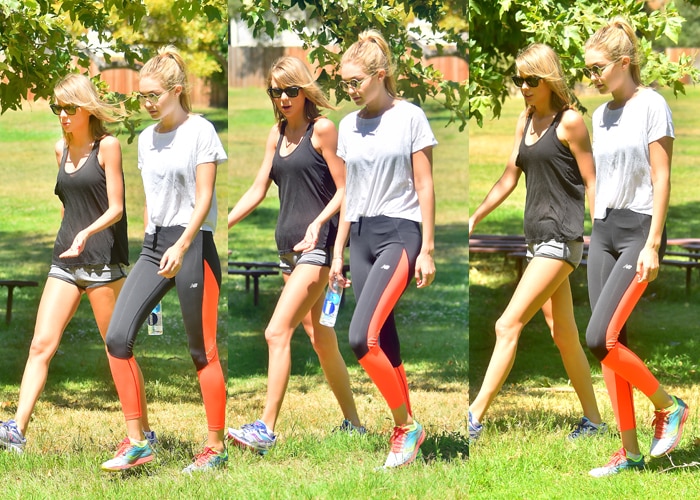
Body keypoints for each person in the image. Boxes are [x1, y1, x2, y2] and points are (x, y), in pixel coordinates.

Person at [0, 74, 155, 453]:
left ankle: (144, 433)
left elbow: (117, 208)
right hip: (66, 261)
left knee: (116, 349)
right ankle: (16, 430)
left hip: (102, 262)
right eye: (58, 108)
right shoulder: (60, 150)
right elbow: (72, 205)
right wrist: (74, 235)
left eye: (70, 108)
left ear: (86, 108)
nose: (63, 115)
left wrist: (87, 233)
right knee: (41, 345)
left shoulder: (108, 147)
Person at [467, 44, 606, 443]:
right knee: (562, 333)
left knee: (506, 323)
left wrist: (602, 233)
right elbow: (510, 177)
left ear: (549, 80)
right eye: (519, 79)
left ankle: (473, 416)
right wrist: (475, 216)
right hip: (537, 240)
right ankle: (594, 421)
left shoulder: (570, 123)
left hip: (561, 240)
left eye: (531, 80)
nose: (523, 87)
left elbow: (592, 181)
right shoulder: (526, 119)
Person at [226, 56, 364, 454]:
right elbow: (257, 189)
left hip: (318, 250)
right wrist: (225, 225)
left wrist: (318, 223)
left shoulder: (322, 130)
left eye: (291, 90)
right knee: (320, 338)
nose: (284, 98)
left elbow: (345, 189)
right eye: (276, 91)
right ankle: (354, 425)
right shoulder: (277, 133)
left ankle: (265, 429)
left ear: (305, 91)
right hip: (288, 250)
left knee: (275, 331)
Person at [100, 46, 228, 473]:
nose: (147, 103)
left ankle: (214, 448)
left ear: (176, 90)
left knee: (201, 350)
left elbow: (204, 196)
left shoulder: (201, 131)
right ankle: (137, 441)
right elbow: (152, 203)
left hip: (193, 245)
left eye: (154, 94)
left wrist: (183, 243)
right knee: (117, 339)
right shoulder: (146, 138)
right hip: (154, 246)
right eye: (142, 96)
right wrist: (149, 250)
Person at [583, 18, 689, 478]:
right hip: (604, 231)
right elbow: (601, 179)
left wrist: (652, 244)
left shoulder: (652, 105)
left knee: (596, 337)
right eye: (587, 70)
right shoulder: (598, 115)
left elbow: (662, 177)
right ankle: (628, 453)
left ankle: (669, 406)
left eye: (598, 68)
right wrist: (593, 227)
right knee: (610, 345)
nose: (592, 77)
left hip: (639, 230)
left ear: (624, 63)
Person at [329, 30, 436, 469]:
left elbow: (425, 184)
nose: (349, 91)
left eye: (355, 82)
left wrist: (428, 247)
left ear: (380, 74)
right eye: (344, 84)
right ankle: (408, 432)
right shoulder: (348, 125)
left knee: (360, 337)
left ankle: (405, 426)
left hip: (400, 233)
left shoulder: (410, 117)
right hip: (361, 238)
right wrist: (337, 251)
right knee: (385, 339)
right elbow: (350, 192)